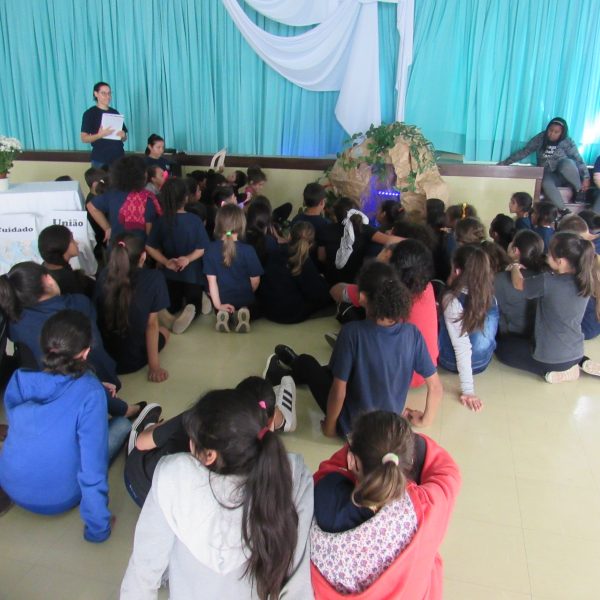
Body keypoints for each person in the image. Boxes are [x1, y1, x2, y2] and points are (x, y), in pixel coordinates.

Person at [120, 388, 314, 600]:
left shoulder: (174, 476)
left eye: (192, 439)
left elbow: (142, 573)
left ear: (209, 455)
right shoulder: (291, 476)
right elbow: (298, 588)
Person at [265, 261, 443, 436]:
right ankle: (292, 369)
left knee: (308, 363)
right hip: (388, 425)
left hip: (352, 427)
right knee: (337, 368)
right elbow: (435, 387)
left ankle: (287, 372)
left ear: (362, 297)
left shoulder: (352, 333)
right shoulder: (412, 333)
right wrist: (424, 420)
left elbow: (338, 390)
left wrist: (330, 427)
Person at [0, 310, 132, 542]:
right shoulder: (90, 392)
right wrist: (98, 528)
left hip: (10, 484)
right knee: (121, 424)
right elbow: (92, 469)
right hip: (59, 498)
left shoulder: (20, 379)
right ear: (86, 352)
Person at [310, 411, 460, 599]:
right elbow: (448, 472)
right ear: (404, 463)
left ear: (351, 460)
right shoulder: (427, 508)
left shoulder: (323, 494)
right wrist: (399, 441)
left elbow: (329, 469)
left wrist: (370, 441)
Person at [123, 375, 297, 507]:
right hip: (164, 500)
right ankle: (282, 419)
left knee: (154, 434)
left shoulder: (200, 417)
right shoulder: (258, 459)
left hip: (143, 486)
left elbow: (142, 443)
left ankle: (149, 424)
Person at [329, 239, 438, 389]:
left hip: (392, 379)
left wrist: (377, 264)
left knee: (352, 316)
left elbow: (335, 291)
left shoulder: (380, 289)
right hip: (426, 372)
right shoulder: (428, 287)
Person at [497, 232, 600, 382]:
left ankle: (556, 372)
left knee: (503, 348)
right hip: (576, 350)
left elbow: (519, 284)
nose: (546, 255)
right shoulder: (585, 280)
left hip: (550, 357)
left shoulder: (548, 282)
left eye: (550, 254)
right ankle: (580, 362)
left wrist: (514, 267)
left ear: (561, 262)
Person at [94, 234, 171, 382]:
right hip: (133, 361)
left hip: (104, 360)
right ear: (143, 256)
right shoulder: (154, 278)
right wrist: (154, 367)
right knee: (165, 332)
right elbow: (151, 325)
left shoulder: (103, 275)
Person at [438, 245, 499, 412]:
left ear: (457, 271)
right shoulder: (490, 295)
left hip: (451, 362)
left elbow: (462, 346)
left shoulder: (451, 299)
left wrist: (468, 390)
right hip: (484, 361)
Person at [146, 178, 210, 325]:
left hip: (170, 273)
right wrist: (187, 259)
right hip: (192, 275)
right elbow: (202, 248)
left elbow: (150, 247)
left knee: (172, 304)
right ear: (186, 198)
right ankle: (194, 305)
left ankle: (169, 314)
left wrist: (166, 262)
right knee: (195, 305)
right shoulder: (194, 220)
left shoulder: (160, 221)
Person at [499, 117, 590, 212]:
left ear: (562, 133)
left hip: (564, 175)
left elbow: (578, 159)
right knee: (545, 181)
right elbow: (525, 151)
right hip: (549, 174)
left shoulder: (567, 141)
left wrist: (586, 177)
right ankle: (564, 210)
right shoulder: (540, 138)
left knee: (568, 163)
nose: (552, 134)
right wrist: (505, 163)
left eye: (556, 132)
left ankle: (579, 190)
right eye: (550, 130)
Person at [203, 204, 263, 333]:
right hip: (244, 298)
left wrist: (218, 305)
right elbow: (255, 281)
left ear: (218, 224)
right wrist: (247, 291)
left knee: (221, 307)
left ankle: (223, 314)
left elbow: (211, 282)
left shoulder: (210, 249)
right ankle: (243, 313)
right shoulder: (248, 250)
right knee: (259, 307)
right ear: (241, 225)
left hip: (222, 299)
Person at [257, 221, 332, 324]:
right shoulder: (304, 261)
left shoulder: (273, 254)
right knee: (327, 294)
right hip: (290, 314)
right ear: (311, 244)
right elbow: (316, 295)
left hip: (268, 309)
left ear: (289, 236)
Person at [321, 197, 402, 285]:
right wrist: (411, 241)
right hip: (354, 280)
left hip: (331, 279)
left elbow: (321, 257)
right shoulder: (363, 228)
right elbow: (389, 240)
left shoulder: (325, 230)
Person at [87, 155, 162, 244]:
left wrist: (107, 228)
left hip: (115, 248)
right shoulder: (147, 199)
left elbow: (91, 206)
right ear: (141, 176)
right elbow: (149, 236)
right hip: (137, 248)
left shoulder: (112, 194)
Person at [494, 229, 546, 339]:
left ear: (515, 251)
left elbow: (496, 314)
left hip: (510, 337)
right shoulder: (545, 277)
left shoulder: (500, 279)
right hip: (538, 336)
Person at [38, 224, 95, 297]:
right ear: (63, 246)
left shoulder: (39, 274)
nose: (77, 243)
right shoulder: (74, 283)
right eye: (72, 240)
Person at [80, 81, 127, 168]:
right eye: (103, 93)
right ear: (96, 94)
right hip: (100, 159)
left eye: (109, 93)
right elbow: (84, 138)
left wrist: (123, 135)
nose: (107, 96)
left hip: (119, 158)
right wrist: (100, 135)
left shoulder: (115, 112)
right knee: (100, 177)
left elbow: (124, 138)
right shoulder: (90, 113)